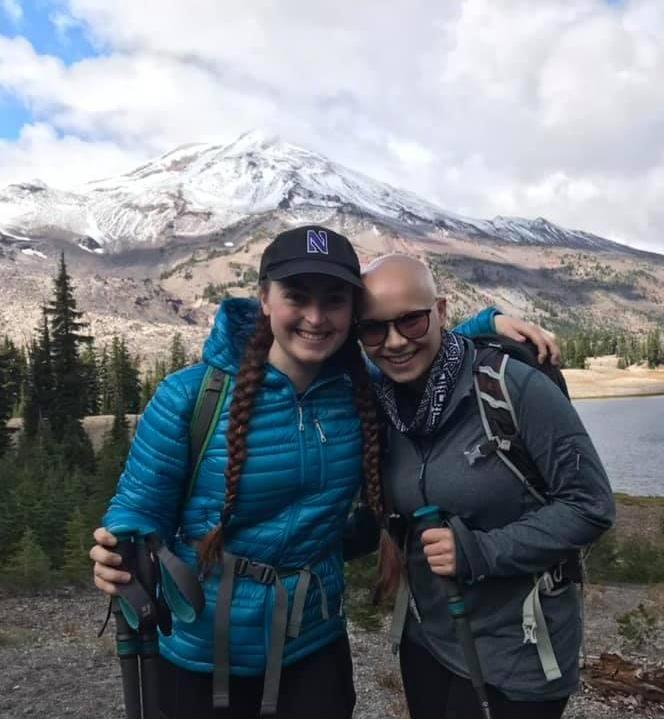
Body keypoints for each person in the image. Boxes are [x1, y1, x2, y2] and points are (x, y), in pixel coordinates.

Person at [90, 225, 559, 718]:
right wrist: (119, 548)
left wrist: (488, 321)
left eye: (334, 301)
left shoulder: (362, 387)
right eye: (297, 297)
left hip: (312, 647)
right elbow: (139, 509)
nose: (316, 318)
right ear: (265, 299)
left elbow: (415, 346)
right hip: (202, 651)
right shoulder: (190, 397)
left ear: (352, 312)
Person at [357, 255, 615, 719]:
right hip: (429, 641)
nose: (394, 342)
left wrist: (480, 552)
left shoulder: (511, 386)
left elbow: (590, 505)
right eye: (374, 330)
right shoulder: (386, 400)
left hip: (520, 655)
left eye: (412, 321)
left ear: (441, 311)